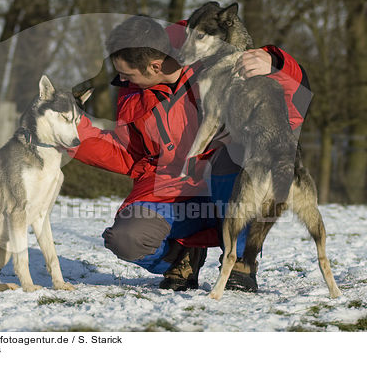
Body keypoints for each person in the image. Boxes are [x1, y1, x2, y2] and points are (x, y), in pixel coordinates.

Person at [69, 15, 309, 291]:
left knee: (239, 151)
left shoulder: (219, 62)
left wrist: (274, 65)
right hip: (171, 188)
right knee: (125, 239)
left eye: (128, 74)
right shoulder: (132, 93)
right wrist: (71, 133)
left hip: (229, 182)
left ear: (155, 65)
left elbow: (291, 105)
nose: (121, 79)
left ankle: (242, 261)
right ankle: (180, 260)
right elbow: (129, 153)